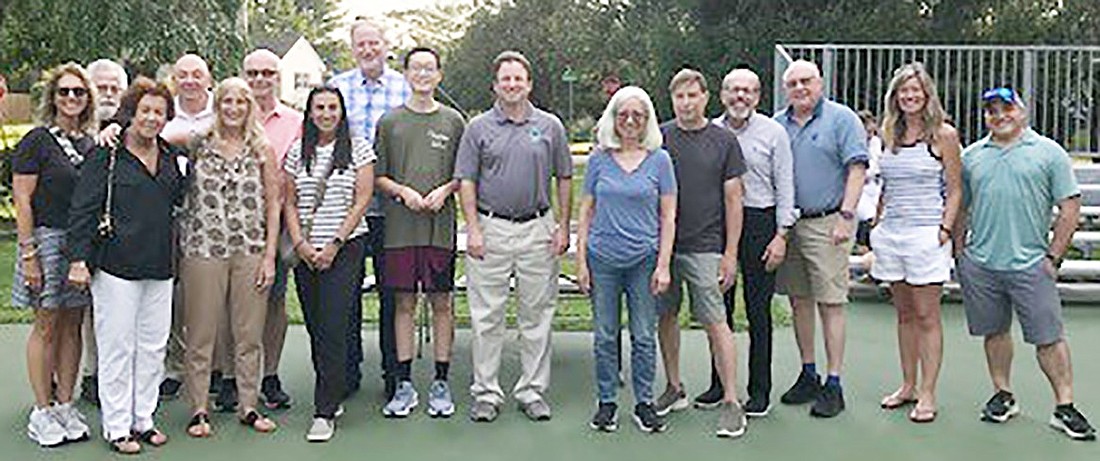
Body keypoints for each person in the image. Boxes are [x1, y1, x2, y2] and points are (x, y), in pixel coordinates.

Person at [955, 87, 1096, 441]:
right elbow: (961, 206)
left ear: (1022, 111)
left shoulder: (1049, 153)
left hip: (1033, 264)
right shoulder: (972, 157)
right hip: (982, 265)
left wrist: (1053, 257)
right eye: (991, 110)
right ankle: (1003, 395)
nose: (999, 115)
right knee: (994, 332)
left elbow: (1070, 206)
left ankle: (1064, 406)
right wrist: (961, 251)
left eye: (1007, 107)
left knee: (1049, 338)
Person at [67, 76, 188, 454]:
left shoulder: (169, 156)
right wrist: (78, 259)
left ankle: (143, 419)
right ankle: (118, 426)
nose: (152, 118)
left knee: (153, 347)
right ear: (131, 114)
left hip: (159, 265)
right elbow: (83, 209)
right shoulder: (107, 154)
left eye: (159, 112)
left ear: (167, 117)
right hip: (116, 265)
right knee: (117, 347)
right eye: (145, 111)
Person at [455, 50, 572, 423]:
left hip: (538, 227)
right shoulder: (478, 128)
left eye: (518, 78)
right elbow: (466, 181)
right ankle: (486, 393)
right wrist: (472, 227)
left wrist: (563, 225)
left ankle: (532, 391)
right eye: (505, 79)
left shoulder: (550, 125)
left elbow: (565, 177)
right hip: (490, 229)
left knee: (536, 315)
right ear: (496, 85)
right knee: (486, 315)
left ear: (529, 84)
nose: (512, 84)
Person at [178, 78, 280, 438]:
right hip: (203, 250)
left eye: (241, 102)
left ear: (249, 106)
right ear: (217, 105)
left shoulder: (262, 148)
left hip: (249, 250)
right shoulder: (197, 142)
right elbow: (152, 134)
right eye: (226, 102)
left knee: (248, 334)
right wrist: (113, 128)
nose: (234, 108)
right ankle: (199, 409)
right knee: (202, 333)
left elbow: (274, 201)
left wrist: (270, 256)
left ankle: (248, 406)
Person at [653, 68, 748, 438]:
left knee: (715, 322)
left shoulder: (724, 141)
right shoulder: (659, 137)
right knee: (666, 317)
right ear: (672, 99)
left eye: (693, 95)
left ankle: (730, 401)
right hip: (664, 248)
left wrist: (730, 253)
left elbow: (734, 200)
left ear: (705, 97)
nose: (686, 103)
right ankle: (674, 388)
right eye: (680, 96)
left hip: (707, 247)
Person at [695, 67, 794, 417]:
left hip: (759, 223)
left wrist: (781, 235)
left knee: (757, 310)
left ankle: (759, 390)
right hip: (716, 223)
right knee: (717, 310)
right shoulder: (710, 131)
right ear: (721, 95)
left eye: (748, 91)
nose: (741, 97)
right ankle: (719, 384)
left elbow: (786, 186)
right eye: (734, 90)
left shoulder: (774, 133)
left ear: (758, 96)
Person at [577, 86, 676, 433]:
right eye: (623, 115)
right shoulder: (599, 159)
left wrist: (664, 264)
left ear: (647, 119)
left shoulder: (659, 160)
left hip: (644, 262)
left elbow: (668, 216)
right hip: (602, 260)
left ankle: (644, 403)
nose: (631, 121)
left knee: (643, 335)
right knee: (605, 335)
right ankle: (607, 403)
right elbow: (586, 211)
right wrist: (581, 263)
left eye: (638, 115)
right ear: (613, 119)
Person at [774, 60, 868, 418]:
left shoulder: (842, 120)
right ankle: (808, 372)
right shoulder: (778, 123)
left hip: (828, 222)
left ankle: (834, 382)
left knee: (830, 302)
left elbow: (856, 169)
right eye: (793, 83)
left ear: (821, 83)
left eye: (806, 81)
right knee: (799, 300)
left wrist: (847, 216)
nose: (800, 88)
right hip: (790, 223)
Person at [374, 47, 465, 419]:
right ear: (406, 74)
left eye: (430, 68)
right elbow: (378, 176)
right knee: (404, 305)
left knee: (441, 303)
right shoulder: (390, 122)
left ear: (439, 75)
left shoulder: (454, 121)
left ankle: (441, 383)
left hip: (440, 231)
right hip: (399, 231)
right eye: (417, 68)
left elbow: (465, 174)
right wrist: (403, 192)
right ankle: (405, 384)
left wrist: (445, 190)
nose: (424, 74)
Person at [11, 62, 96, 448]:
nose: (71, 98)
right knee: (46, 324)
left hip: (80, 245)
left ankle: (65, 404)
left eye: (78, 92)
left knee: (72, 324)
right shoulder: (37, 140)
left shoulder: (91, 143)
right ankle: (42, 411)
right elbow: (23, 200)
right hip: (44, 241)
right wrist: (29, 253)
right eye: (64, 91)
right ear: (53, 97)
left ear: (88, 98)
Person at [284, 85, 375, 442]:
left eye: (332, 107)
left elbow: (362, 199)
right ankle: (333, 388)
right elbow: (289, 202)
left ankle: (324, 411)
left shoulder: (358, 149)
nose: (325, 113)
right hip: (306, 249)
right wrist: (302, 244)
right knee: (316, 326)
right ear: (310, 112)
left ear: (342, 111)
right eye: (319, 107)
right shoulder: (297, 152)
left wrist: (335, 243)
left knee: (335, 324)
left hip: (345, 248)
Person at [871, 63, 961, 423]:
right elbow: (886, 185)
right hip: (892, 234)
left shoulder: (944, 136)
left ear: (927, 95)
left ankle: (927, 393)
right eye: (903, 92)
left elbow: (955, 190)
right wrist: (878, 222)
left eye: (916, 91)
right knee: (904, 314)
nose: (909, 97)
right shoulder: (887, 133)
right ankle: (907, 386)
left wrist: (944, 230)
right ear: (895, 97)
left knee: (927, 316)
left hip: (927, 236)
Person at [329, 18, 411, 399]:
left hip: (392, 210)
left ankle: (394, 373)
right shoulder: (338, 89)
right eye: (361, 44)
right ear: (353, 48)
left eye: (373, 43)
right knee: (345, 296)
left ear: (385, 45)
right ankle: (347, 372)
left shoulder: (405, 87)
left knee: (392, 294)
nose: (368, 49)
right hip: (348, 212)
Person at [243, 48, 303, 410]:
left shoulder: (295, 122)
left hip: (277, 223)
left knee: (274, 299)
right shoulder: (231, 116)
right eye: (253, 73)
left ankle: (270, 374)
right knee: (234, 302)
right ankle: (236, 377)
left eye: (267, 73)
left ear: (277, 77)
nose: (260, 80)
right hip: (233, 224)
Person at [79, 57, 130, 407]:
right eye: (102, 86)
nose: (109, 93)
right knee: (86, 313)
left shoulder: (134, 127)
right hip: (83, 235)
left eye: (115, 87)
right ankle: (91, 374)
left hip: (127, 236)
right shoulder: (75, 131)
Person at [855, 110, 883, 254]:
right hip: (859, 187)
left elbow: (876, 164)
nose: (871, 134)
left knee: (876, 212)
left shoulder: (875, 142)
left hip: (873, 184)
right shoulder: (854, 142)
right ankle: (862, 244)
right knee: (865, 213)